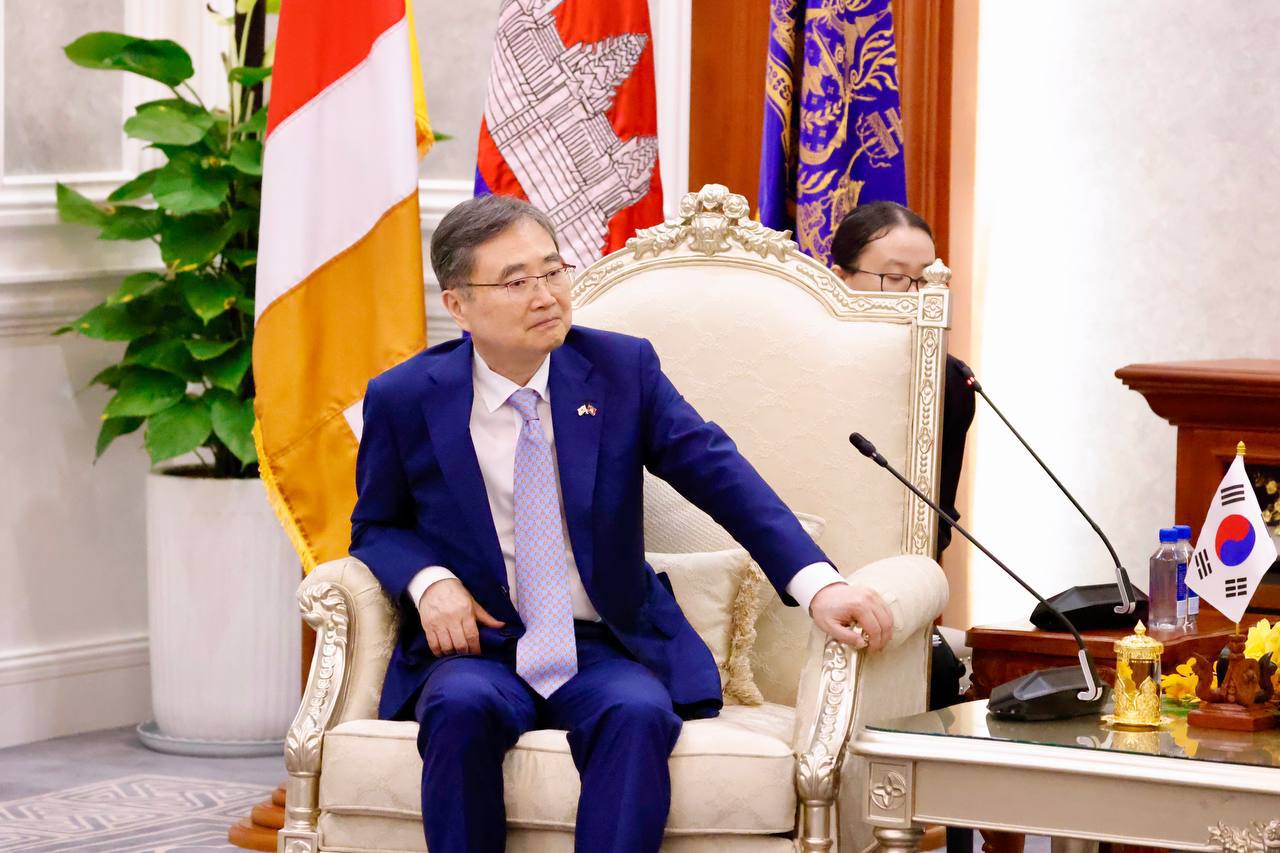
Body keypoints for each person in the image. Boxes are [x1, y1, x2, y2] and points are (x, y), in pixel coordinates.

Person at [349, 193, 894, 853]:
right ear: (458, 305)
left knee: (637, 713)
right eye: (516, 282)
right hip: (481, 649)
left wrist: (819, 584)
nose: (546, 295)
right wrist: (429, 581)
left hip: (605, 643)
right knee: (459, 708)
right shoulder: (405, 397)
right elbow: (375, 526)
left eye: (553, 270)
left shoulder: (620, 371)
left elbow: (722, 477)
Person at [830, 200, 974, 853]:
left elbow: (935, 521)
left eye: (926, 279)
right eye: (895, 277)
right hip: (796, 575)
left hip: (887, 588)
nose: (914, 295)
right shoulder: (791, 358)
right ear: (840, 277)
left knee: (944, 674)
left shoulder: (948, 383)